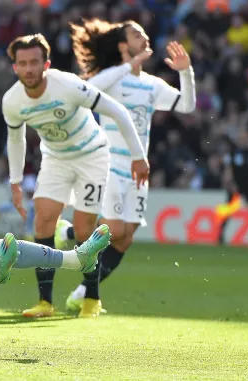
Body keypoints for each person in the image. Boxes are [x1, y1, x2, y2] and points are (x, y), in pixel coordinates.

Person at [1, 34, 149, 318]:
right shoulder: (12, 101)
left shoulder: (67, 85)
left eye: (34, 62)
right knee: (42, 220)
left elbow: (116, 109)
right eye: (23, 63)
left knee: (84, 231)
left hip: (91, 156)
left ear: (46, 64)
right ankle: (45, 303)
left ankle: (92, 298)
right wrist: (16, 181)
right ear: (15, 68)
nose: (29, 68)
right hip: (56, 158)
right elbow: (16, 140)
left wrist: (138, 156)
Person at [57, 19, 196, 316]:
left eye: (144, 33)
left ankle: (81, 292)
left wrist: (185, 71)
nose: (144, 37)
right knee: (114, 229)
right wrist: (128, 64)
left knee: (126, 237)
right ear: (123, 46)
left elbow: (186, 105)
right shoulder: (112, 79)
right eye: (137, 34)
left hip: (137, 170)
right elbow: (87, 90)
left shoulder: (150, 84)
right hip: (108, 163)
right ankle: (69, 234)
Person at [219, 128, 248, 246]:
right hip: (237, 183)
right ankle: (220, 234)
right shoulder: (234, 152)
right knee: (230, 209)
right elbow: (230, 168)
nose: (243, 139)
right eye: (241, 137)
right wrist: (231, 183)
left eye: (245, 137)